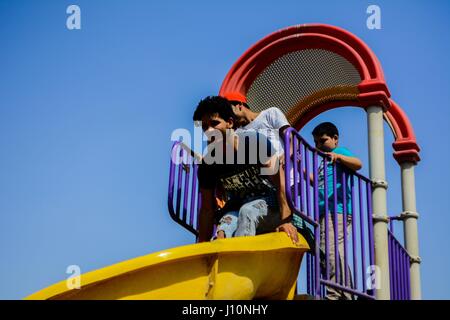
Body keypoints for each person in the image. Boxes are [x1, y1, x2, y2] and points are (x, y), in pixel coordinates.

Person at [193, 96, 298, 244]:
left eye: (214, 123)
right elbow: (207, 210)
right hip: (238, 206)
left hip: (270, 203)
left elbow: (280, 186)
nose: (210, 131)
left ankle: (242, 263)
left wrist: (286, 221)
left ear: (230, 123)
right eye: (204, 127)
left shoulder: (254, 143)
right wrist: (201, 245)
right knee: (224, 228)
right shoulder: (208, 164)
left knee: (247, 212)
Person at [312, 122, 362, 300]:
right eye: (316, 142)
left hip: (337, 210)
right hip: (325, 212)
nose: (319, 145)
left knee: (330, 249)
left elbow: (358, 164)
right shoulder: (322, 163)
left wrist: (338, 157)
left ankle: (336, 293)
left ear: (335, 139)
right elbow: (315, 181)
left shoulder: (339, 152)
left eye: (323, 140)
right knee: (330, 251)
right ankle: (346, 292)